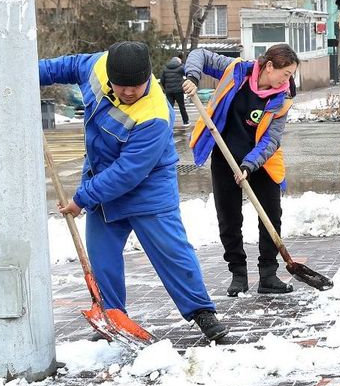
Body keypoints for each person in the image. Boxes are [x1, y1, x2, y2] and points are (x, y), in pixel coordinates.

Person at [39, 41, 231, 344]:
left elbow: (128, 172)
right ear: (110, 75)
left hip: (148, 189)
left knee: (172, 253)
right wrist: (26, 77)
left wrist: (82, 198)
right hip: (102, 182)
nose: (128, 92)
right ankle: (112, 317)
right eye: (121, 86)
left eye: (136, 86)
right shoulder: (97, 67)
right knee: (102, 259)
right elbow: (64, 66)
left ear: (147, 77)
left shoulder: (155, 114)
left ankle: (202, 312)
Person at [184, 44, 297, 296]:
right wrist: (192, 77)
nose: (288, 80)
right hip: (225, 155)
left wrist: (248, 165)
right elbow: (199, 55)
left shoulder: (282, 99)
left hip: (261, 160)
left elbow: (271, 139)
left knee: (270, 215)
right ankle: (238, 274)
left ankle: (268, 275)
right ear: (269, 66)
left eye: (291, 75)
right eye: (286, 74)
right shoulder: (236, 71)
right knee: (229, 217)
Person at [160, 53, 189, 125]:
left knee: (170, 107)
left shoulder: (165, 68)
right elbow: (187, 72)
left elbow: (162, 80)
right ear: (178, 61)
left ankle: (169, 123)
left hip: (169, 91)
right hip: (178, 90)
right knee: (182, 106)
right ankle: (186, 122)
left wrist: (166, 88)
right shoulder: (180, 68)